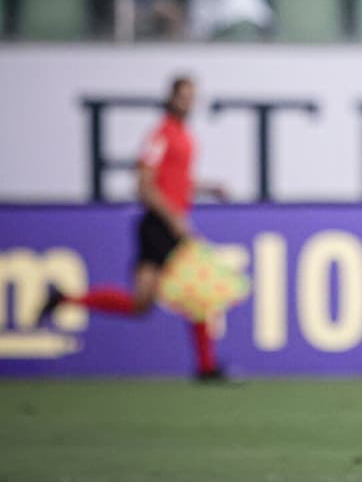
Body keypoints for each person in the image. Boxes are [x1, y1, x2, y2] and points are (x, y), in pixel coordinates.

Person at [38, 76, 230, 381]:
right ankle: (206, 367)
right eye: (183, 96)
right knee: (200, 291)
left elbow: (177, 183)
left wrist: (208, 188)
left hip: (167, 224)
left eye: (192, 96)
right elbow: (145, 186)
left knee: (142, 303)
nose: (188, 102)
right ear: (171, 98)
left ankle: (64, 299)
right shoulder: (161, 134)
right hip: (160, 225)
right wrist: (174, 219)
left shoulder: (185, 136)